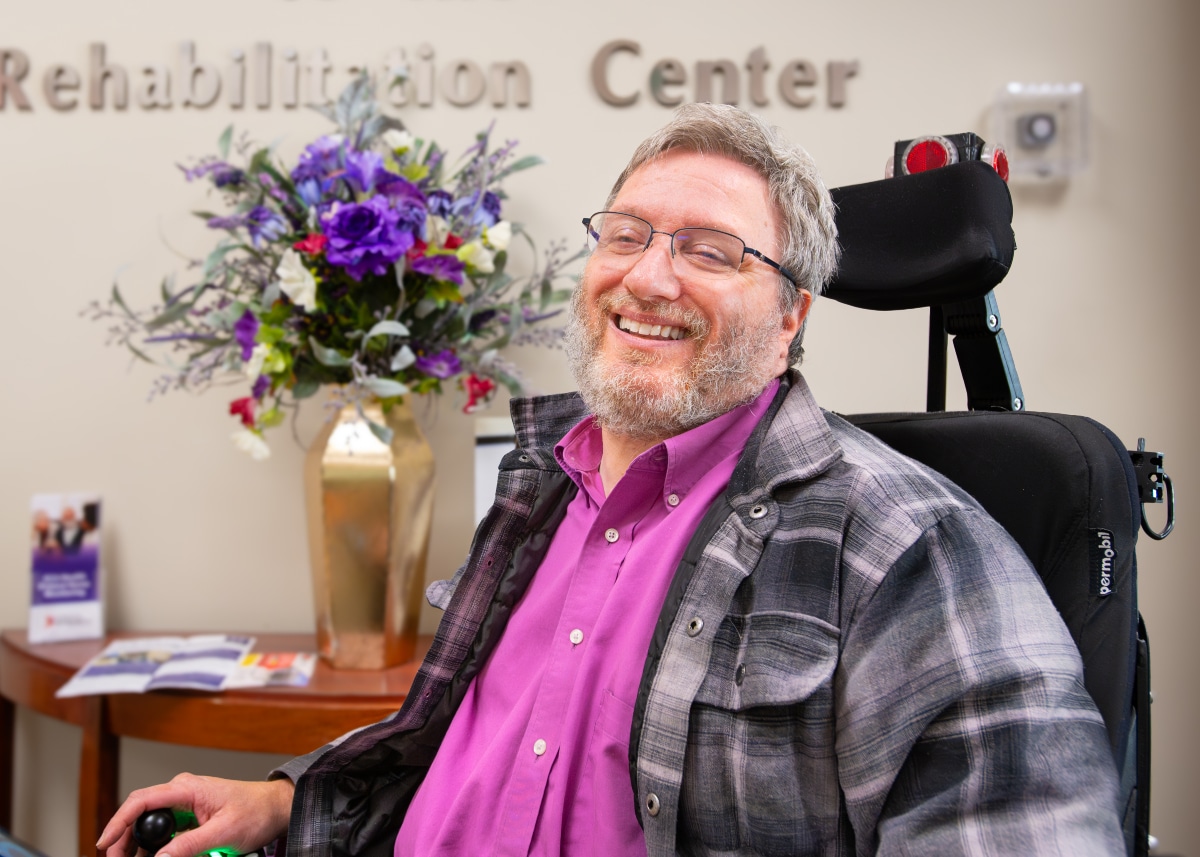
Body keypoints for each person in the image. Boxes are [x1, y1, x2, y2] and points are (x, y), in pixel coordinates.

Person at [100, 104, 1125, 857]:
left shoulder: (908, 545)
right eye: (627, 234)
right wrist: (285, 800)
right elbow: (462, 728)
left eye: (710, 250)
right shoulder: (541, 484)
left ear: (791, 314)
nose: (647, 275)